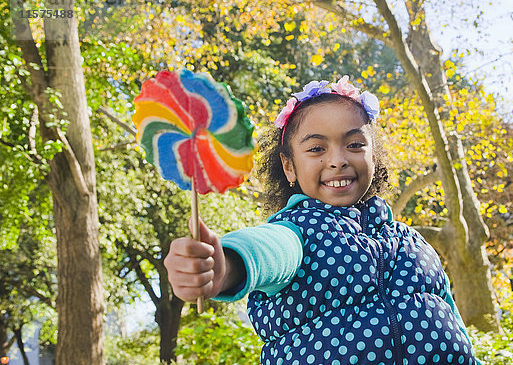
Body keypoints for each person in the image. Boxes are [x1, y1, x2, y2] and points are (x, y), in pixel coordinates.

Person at [164, 76, 480, 364]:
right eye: (317, 148)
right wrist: (228, 264)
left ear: (374, 155)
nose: (338, 160)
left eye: (355, 144)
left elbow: (452, 321)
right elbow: (268, 250)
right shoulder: (297, 231)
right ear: (289, 167)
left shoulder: (412, 240)